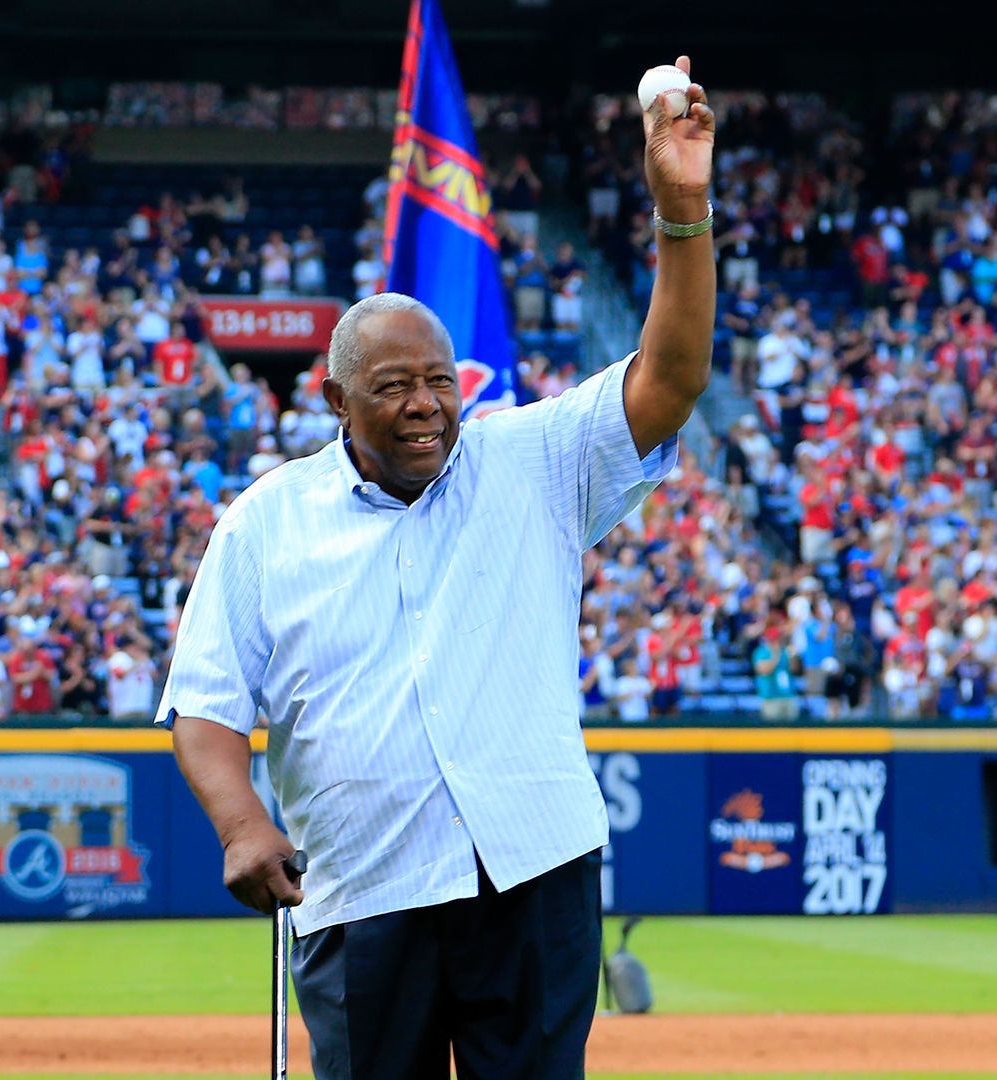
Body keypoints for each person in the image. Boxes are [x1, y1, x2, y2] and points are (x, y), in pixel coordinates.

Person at [159, 57, 716, 1080]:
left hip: (532, 870)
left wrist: (682, 210)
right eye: (393, 386)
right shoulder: (265, 523)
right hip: (361, 890)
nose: (424, 403)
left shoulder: (534, 462)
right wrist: (242, 825)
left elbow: (672, 378)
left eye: (437, 380)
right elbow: (204, 706)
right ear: (336, 404)